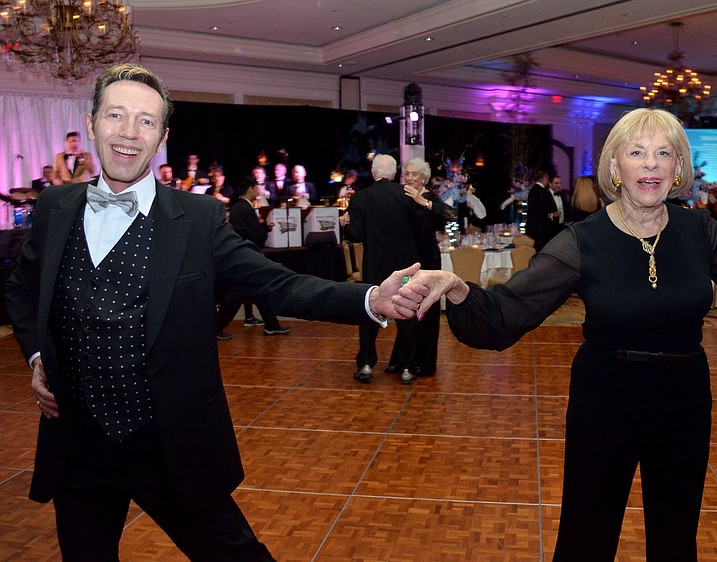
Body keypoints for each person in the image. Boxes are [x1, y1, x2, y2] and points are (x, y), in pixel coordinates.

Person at [4, 63, 423, 561]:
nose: (128, 133)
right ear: (93, 121)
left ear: (162, 136)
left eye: (145, 121)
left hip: (169, 440)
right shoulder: (55, 206)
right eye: (116, 115)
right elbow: (23, 289)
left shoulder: (198, 220)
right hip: (78, 443)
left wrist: (369, 299)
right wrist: (35, 358)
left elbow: (278, 284)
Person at [401, 108, 717, 561]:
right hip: (606, 399)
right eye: (637, 152)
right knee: (587, 533)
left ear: (678, 169)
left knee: (676, 534)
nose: (651, 164)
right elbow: (503, 315)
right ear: (615, 166)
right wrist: (458, 288)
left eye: (663, 153)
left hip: (684, 399)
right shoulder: (582, 240)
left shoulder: (701, 232)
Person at [346, 154, 431, 384]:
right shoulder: (406, 196)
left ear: (373, 173)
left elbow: (355, 235)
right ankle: (406, 367)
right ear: (394, 174)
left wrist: (345, 225)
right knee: (406, 315)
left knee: (368, 314)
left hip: (373, 266)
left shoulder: (361, 198)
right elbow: (421, 230)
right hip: (404, 268)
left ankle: (365, 364)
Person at [387, 157, 449, 377]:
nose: (410, 178)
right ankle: (402, 359)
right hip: (406, 261)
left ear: (424, 176)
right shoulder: (400, 197)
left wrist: (422, 202)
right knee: (404, 309)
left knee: (426, 311)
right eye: (408, 174)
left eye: (415, 174)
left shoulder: (430, 198)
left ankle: (423, 362)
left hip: (428, 261)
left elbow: (447, 215)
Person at [214, 176, 291, 339]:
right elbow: (253, 234)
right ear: (250, 189)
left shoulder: (237, 207)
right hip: (246, 256)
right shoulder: (245, 208)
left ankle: (271, 324)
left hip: (242, 255)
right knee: (237, 295)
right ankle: (216, 327)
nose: (258, 190)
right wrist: (265, 229)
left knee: (258, 290)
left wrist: (261, 227)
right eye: (256, 187)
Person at [526, 170, 563, 251]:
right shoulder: (543, 192)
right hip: (541, 229)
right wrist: (552, 214)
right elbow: (543, 210)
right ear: (545, 179)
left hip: (532, 228)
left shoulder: (532, 190)